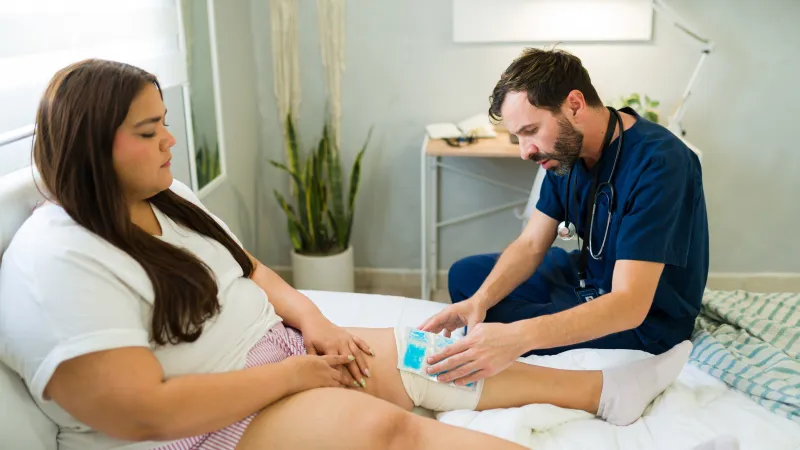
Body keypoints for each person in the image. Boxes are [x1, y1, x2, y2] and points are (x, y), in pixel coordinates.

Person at [0, 59, 692, 450]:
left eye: (165, 126)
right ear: (93, 143)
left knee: (430, 357)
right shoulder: (57, 260)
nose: (170, 144)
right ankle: (592, 386)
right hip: (226, 407)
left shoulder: (165, 195)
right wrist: (302, 371)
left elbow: (254, 270)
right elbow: (143, 415)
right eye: (150, 131)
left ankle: (604, 390)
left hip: (278, 350)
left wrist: (314, 324)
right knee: (392, 422)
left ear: (575, 105)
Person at [420, 47, 708, 386]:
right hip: (586, 278)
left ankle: (510, 332)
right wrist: (478, 302)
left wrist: (518, 337)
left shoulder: (660, 163)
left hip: (644, 321)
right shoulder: (564, 156)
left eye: (530, 131)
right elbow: (530, 244)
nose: (525, 151)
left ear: (575, 104)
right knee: (467, 279)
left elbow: (630, 304)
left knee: (502, 327)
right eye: (517, 137)